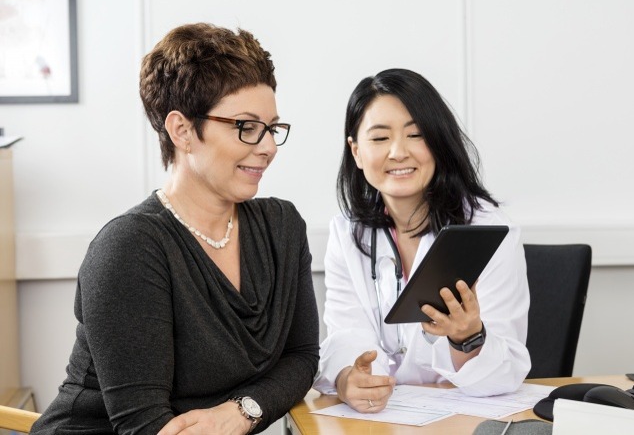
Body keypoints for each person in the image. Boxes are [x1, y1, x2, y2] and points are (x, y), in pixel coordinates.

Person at [31, 23, 319, 435]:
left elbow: (302, 357)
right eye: (246, 126)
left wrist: (241, 412)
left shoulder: (282, 228)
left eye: (272, 127)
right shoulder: (129, 247)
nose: (269, 146)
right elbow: (144, 425)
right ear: (182, 130)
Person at [313, 68, 531, 413]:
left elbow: (505, 377)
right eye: (380, 138)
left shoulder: (488, 231)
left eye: (416, 135)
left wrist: (467, 336)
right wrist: (348, 378)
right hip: (381, 420)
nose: (399, 152)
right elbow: (346, 335)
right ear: (356, 152)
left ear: (439, 143)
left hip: (465, 420)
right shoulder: (347, 233)